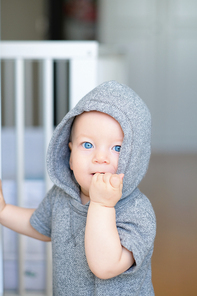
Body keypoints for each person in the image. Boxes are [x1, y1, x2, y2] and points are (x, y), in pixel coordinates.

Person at [0, 81, 156, 295]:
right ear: (70, 156)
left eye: (117, 148)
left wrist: (102, 204)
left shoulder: (137, 210)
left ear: (135, 158)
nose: (100, 157)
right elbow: (40, 225)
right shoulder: (62, 195)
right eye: (88, 145)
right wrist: (4, 211)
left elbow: (105, 266)